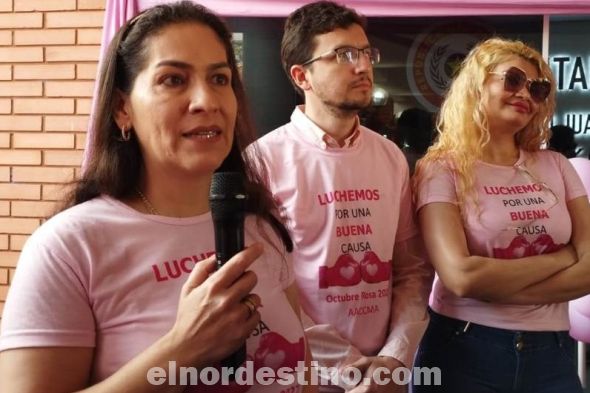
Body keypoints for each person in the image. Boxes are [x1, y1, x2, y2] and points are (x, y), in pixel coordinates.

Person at [0, 2, 314, 392]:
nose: (206, 101)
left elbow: (302, 372)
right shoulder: (69, 246)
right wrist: (181, 350)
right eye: (173, 80)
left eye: (220, 79)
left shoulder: (259, 224)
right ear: (122, 109)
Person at [250, 2, 433, 392]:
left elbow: (411, 269)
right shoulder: (262, 161)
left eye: (366, 53)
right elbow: (265, 289)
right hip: (302, 374)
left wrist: (394, 357)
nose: (363, 66)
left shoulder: (389, 157)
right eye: (344, 55)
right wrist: (348, 368)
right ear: (302, 75)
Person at [413, 37, 590, 392]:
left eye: (537, 88)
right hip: (463, 349)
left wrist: (494, 286)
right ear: (477, 85)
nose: (525, 93)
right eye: (513, 80)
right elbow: (461, 276)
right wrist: (566, 256)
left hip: (552, 352)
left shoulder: (556, 165)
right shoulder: (441, 168)